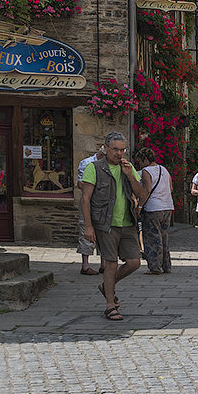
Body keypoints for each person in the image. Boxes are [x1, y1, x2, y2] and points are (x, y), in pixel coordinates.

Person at [79, 132, 147, 321]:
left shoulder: (128, 167)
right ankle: (110, 305)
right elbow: (85, 199)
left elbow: (141, 193)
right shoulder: (94, 168)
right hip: (105, 223)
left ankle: (105, 286)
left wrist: (130, 176)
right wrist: (88, 227)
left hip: (127, 222)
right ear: (106, 148)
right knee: (111, 263)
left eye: (122, 149)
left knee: (134, 262)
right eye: (115, 149)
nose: (119, 153)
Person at [139, 150, 174, 275]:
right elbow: (170, 188)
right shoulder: (164, 170)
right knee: (164, 237)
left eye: (140, 161)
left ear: (145, 159)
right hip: (167, 206)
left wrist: (139, 206)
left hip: (153, 208)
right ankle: (166, 265)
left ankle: (155, 267)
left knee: (152, 238)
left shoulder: (146, 171)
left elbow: (147, 190)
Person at [76, 146, 105, 276]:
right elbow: (80, 184)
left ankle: (104, 264)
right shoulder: (87, 163)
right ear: (102, 155)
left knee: (104, 230)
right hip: (89, 200)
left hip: (103, 202)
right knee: (85, 228)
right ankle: (85, 265)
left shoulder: (108, 165)